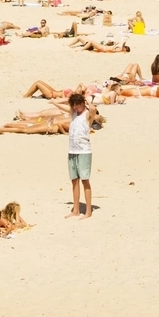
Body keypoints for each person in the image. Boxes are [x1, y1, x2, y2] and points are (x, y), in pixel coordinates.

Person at [67, 91, 93, 220]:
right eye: (74, 106)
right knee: (74, 180)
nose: (76, 108)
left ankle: (88, 211)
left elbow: (93, 109)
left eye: (78, 105)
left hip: (84, 151)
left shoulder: (87, 114)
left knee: (85, 180)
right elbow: (65, 105)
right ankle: (76, 210)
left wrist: (87, 101)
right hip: (72, 151)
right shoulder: (73, 114)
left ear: (82, 104)